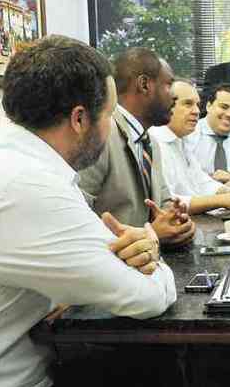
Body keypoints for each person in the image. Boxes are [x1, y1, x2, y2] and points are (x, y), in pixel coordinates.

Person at [0, 35, 176, 387]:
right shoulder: (33, 188)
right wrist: (155, 259)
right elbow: (146, 296)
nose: (111, 126)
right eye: (110, 115)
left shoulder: (17, 163)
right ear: (80, 118)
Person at [78, 48, 196, 247]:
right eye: (168, 84)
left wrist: (177, 222)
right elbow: (76, 219)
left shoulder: (150, 142)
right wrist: (150, 234)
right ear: (144, 85)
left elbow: (164, 203)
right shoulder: (101, 135)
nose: (174, 96)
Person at [149, 79, 230, 214]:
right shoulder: (155, 142)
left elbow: (199, 180)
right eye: (188, 104)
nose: (197, 111)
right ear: (166, 105)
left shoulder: (181, 139)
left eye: (197, 105)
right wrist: (224, 200)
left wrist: (228, 192)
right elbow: (167, 203)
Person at [185, 82, 230, 184]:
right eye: (224, 107)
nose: (229, 114)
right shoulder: (189, 133)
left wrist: (229, 177)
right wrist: (213, 178)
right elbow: (184, 175)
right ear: (209, 106)